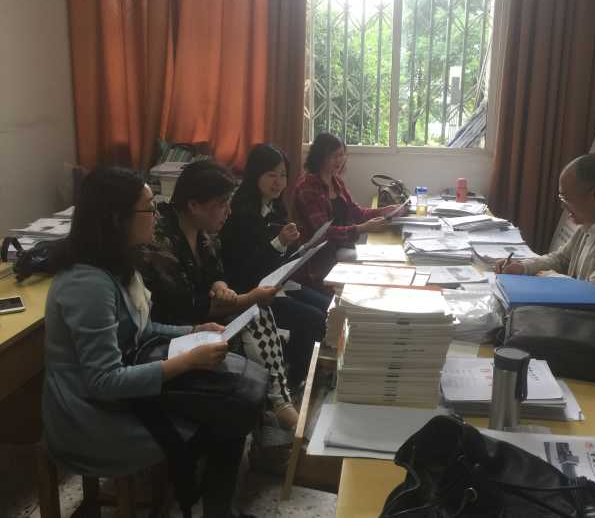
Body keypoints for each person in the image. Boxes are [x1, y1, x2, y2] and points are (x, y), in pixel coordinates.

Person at [42, 167, 246, 518]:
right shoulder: (88, 284)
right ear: (116, 218)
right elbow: (104, 381)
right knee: (224, 417)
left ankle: (215, 508)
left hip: (118, 395)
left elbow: (144, 329)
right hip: (89, 417)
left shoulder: (121, 263)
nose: (156, 215)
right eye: (149, 208)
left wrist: (194, 330)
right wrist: (188, 360)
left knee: (231, 401)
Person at [137, 160, 299, 430]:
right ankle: (279, 402)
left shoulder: (203, 231)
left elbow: (216, 271)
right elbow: (187, 306)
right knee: (255, 311)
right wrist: (249, 298)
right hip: (172, 327)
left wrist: (221, 286)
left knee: (257, 313)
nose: (228, 211)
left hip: (200, 313)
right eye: (222, 204)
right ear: (194, 205)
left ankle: (276, 402)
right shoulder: (161, 239)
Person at [496, 153, 595, 342]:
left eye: (565, 198)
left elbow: (593, 297)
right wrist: (523, 267)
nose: (562, 206)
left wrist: (547, 276)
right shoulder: (593, 219)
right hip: (584, 325)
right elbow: (561, 259)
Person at [220, 144, 331, 390]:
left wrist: (297, 248)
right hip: (251, 291)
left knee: (327, 306)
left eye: (283, 175)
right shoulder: (241, 213)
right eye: (271, 175)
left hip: (277, 283)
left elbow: (279, 260)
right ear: (255, 175)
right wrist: (279, 243)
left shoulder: (275, 207)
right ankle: (294, 378)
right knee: (313, 319)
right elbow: (248, 270)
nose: (278, 182)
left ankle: (295, 364)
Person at [292, 132, 404, 287]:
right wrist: (362, 228)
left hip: (341, 247)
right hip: (320, 256)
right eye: (334, 156)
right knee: (379, 267)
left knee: (389, 260)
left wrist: (384, 211)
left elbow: (356, 212)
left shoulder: (335, 180)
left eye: (342, 155)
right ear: (320, 157)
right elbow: (323, 233)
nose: (339, 160)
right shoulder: (308, 187)